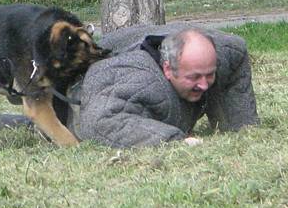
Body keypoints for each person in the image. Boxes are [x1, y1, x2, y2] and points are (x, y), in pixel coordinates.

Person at [73, 23, 259, 148]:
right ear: (168, 69)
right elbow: (99, 122)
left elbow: (237, 51)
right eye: (194, 77)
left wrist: (241, 126)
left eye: (209, 75)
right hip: (84, 78)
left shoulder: (223, 51)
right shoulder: (145, 83)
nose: (203, 85)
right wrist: (175, 139)